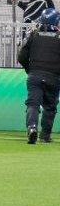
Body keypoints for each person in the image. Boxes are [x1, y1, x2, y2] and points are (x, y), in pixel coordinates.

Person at [18, 8, 60, 144]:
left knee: (32, 104)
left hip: (34, 76)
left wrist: (30, 69)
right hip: (53, 77)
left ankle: (31, 128)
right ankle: (45, 135)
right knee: (50, 106)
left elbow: (21, 56)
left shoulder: (33, 35)